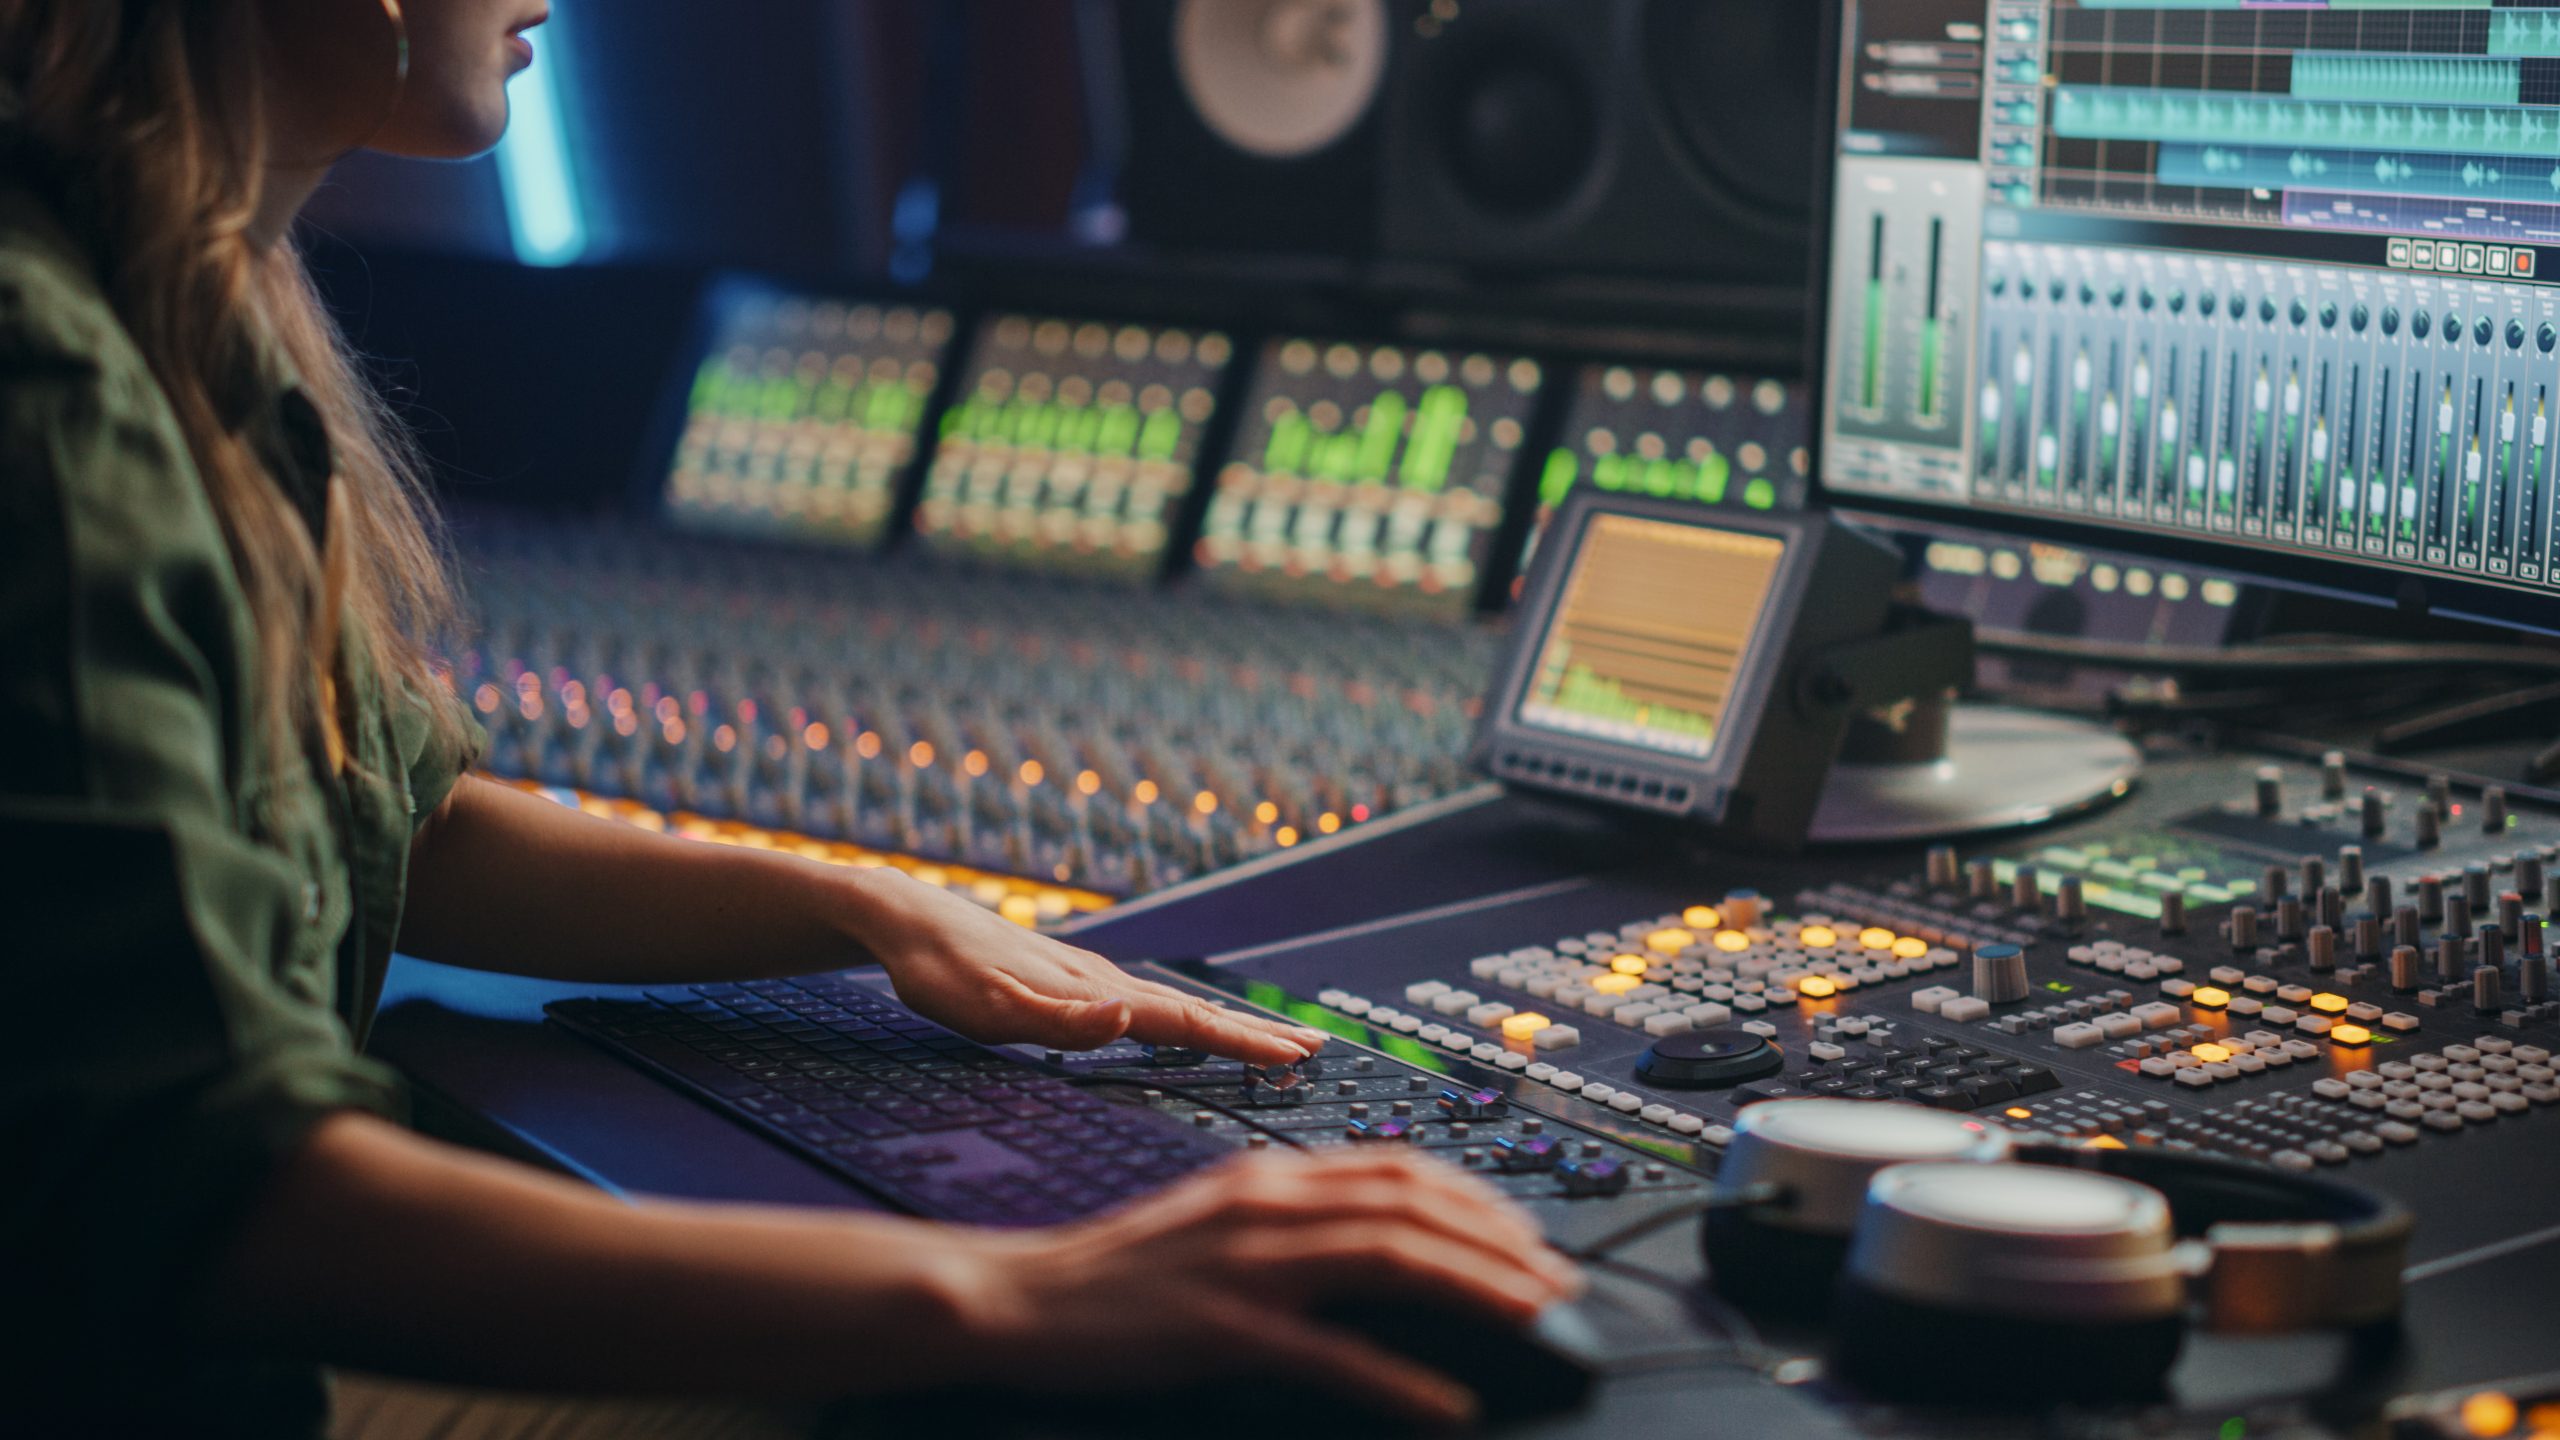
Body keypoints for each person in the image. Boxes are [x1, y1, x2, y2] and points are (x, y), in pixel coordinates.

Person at [0, 2, 1581, 1436]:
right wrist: (1026, 1296)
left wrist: (868, 905)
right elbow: (216, 1193)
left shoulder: (184, 302)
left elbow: (410, 820)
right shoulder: (54, 392)